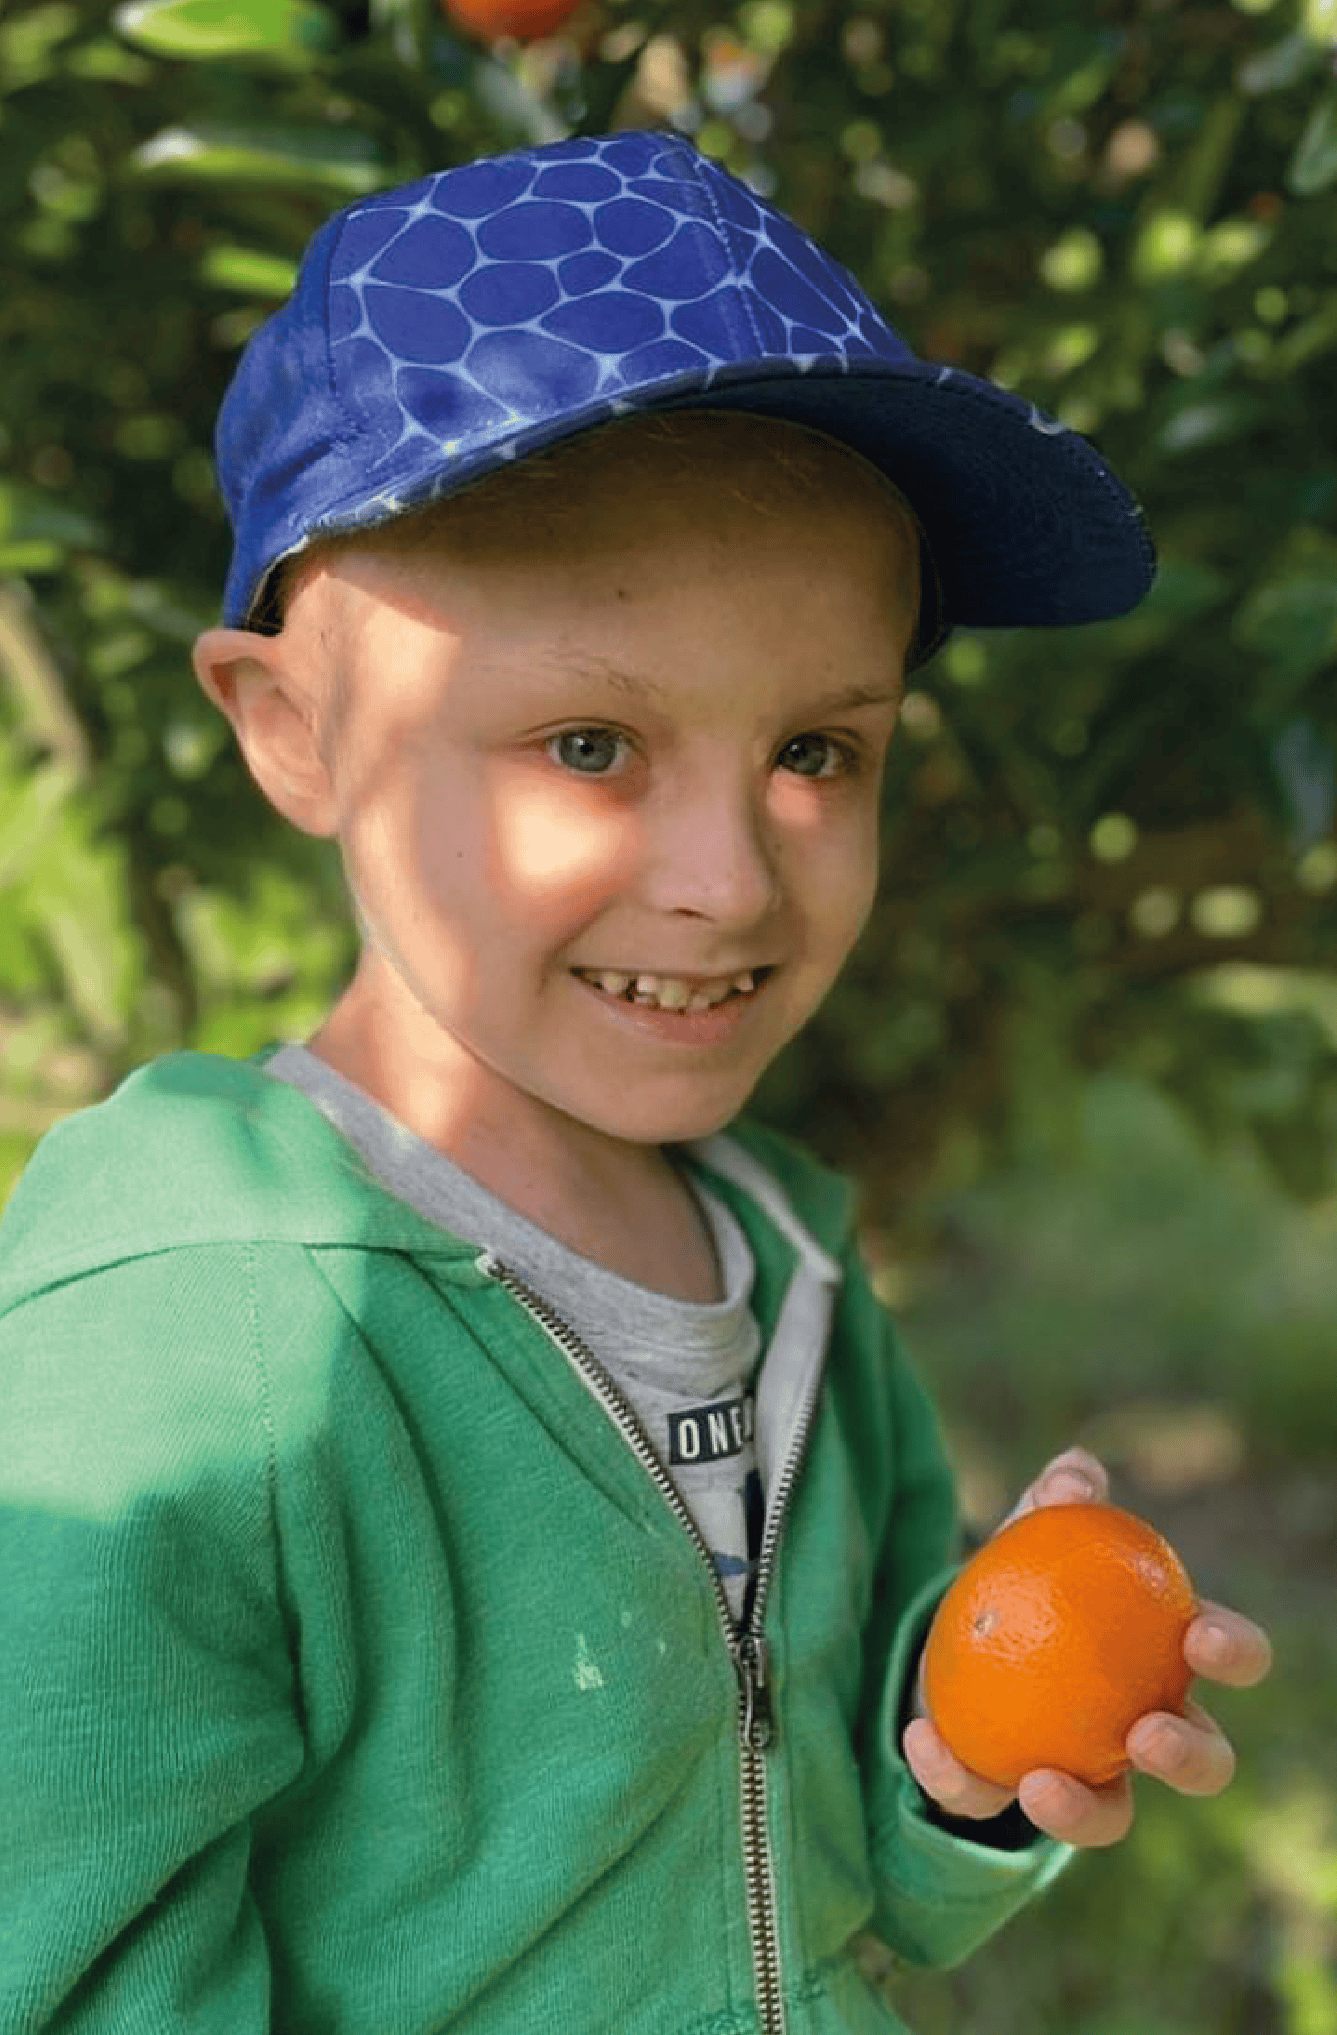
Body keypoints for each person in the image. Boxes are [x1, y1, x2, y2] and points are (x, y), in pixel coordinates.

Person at [0, 130, 1270, 2035]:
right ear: (294, 733)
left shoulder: (782, 1248)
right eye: (591, 742)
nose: (730, 877)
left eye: (820, 753)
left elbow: (838, 1869)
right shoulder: (192, 1338)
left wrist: (955, 1757)